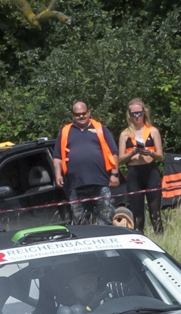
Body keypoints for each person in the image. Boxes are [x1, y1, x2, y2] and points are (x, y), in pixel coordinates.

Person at [52, 101, 118, 225]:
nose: (81, 116)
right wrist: (58, 175)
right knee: (80, 222)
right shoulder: (65, 132)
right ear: (73, 115)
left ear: (89, 112)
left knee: (105, 218)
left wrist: (114, 174)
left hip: (100, 182)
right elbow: (57, 156)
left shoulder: (100, 129)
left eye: (83, 113)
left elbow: (113, 152)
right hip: (75, 184)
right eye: (77, 114)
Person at [117, 98, 164, 234]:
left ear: (144, 113)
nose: (137, 117)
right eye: (134, 114)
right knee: (137, 213)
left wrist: (149, 152)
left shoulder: (152, 131)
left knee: (155, 212)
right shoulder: (125, 134)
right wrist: (132, 152)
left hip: (150, 171)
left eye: (139, 113)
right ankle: (139, 237)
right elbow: (120, 160)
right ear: (129, 115)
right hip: (134, 173)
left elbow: (160, 156)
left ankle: (160, 237)